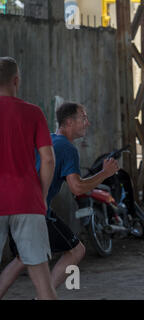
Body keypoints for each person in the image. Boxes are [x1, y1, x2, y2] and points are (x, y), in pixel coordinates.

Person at [0, 102, 120, 299]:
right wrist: (104, 174)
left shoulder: (48, 140)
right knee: (76, 250)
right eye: (83, 118)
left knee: (22, 258)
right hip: (36, 209)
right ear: (68, 122)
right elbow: (77, 187)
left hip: (15, 205)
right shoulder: (67, 148)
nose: (87, 123)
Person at [0, 57, 57, 300]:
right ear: (16, 80)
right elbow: (48, 159)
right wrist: (41, 196)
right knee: (44, 288)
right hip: (27, 200)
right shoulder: (33, 112)